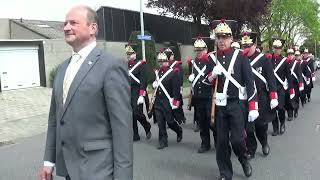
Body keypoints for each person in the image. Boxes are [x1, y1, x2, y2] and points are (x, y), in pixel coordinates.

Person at [39, 6, 133, 180]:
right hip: (69, 170)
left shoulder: (111, 66)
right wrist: (48, 161)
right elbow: (55, 119)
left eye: (73, 22)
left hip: (99, 170)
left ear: (93, 28)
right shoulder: (61, 69)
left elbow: (122, 129)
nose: (66, 27)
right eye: (65, 23)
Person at [207, 19, 258, 179]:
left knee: (237, 140)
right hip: (220, 106)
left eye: (225, 37)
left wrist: (253, 106)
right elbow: (205, 81)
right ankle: (225, 173)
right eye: (219, 37)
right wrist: (212, 75)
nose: (221, 40)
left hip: (236, 105)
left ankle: (243, 160)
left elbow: (250, 83)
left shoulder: (240, 57)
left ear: (231, 39)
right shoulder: (212, 58)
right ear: (216, 39)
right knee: (221, 143)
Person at [239, 27, 278, 160]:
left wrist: (273, 96)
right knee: (248, 128)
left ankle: (264, 142)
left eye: (248, 45)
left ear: (254, 45)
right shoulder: (239, 59)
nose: (246, 48)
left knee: (261, 127)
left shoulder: (264, 59)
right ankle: (251, 149)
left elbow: (271, 79)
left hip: (261, 98)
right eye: (244, 45)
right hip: (246, 98)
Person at [188, 37, 217, 153]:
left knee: (213, 122)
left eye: (201, 50)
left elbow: (216, 77)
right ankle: (205, 143)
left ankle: (218, 142)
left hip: (209, 96)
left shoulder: (211, 61)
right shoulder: (193, 62)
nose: (199, 52)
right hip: (198, 97)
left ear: (206, 49)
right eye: (197, 50)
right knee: (202, 122)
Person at [152, 49, 183, 149]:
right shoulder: (157, 73)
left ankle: (178, 130)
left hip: (167, 101)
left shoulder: (173, 72)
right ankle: (163, 141)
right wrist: (154, 85)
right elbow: (157, 85)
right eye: (159, 62)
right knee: (160, 123)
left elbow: (176, 89)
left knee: (170, 122)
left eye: (163, 62)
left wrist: (175, 101)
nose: (161, 64)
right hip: (158, 101)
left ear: (167, 61)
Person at [125, 43, 152, 141]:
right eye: (127, 54)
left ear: (135, 53)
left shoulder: (141, 64)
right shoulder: (125, 65)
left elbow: (143, 80)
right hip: (128, 92)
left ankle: (146, 126)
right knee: (131, 115)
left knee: (137, 113)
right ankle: (135, 135)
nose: (129, 55)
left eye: (131, 53)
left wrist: (142, 95)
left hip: (137, 92)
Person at [270, 38, 294, 136]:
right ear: (272, 48)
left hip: (280, 88)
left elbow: (288, 75)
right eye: (275, 47)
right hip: (271, 88)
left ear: (281, 49)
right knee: (272, 109)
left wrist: (291, 89)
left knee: (280, 107)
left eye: (279, 48)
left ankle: (282, 123)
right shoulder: (267, 59)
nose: (277, 49)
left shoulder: (284, 61)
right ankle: (275, 127)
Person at [165, 47, 186, 124]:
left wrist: (180, 87)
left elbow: (180, 77)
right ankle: (172, 118)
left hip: (176, 86)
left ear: (172, 56)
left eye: (170, 55)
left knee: (178, 103)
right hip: (168, 88)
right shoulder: (165, 64)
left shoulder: (177, 65)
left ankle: (181, 117)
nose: (168, 57)